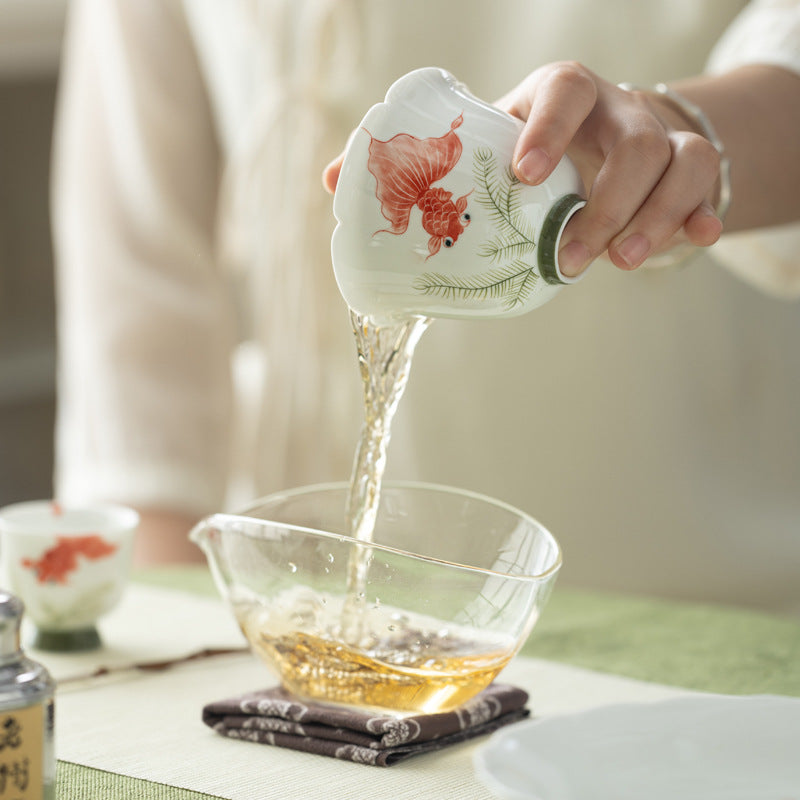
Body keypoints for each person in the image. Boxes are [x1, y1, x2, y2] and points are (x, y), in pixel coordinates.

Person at [52, 0, 800, 613]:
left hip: (690, 600)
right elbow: (137, 275)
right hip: (294, 583)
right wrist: (161, 618)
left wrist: (673, 138)